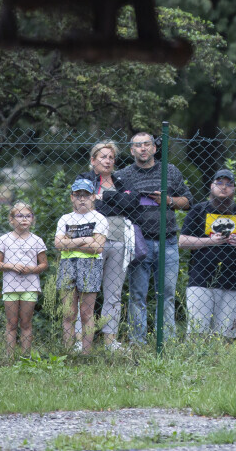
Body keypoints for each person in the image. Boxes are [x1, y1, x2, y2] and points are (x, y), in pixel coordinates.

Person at [113, 131, 192, 343]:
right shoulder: (123, 175)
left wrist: (168, 201)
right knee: (137, 295)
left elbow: (188, 201)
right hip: (139, 243)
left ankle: (165, 341)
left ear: (155, 148)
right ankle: (137, 342)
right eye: (138, 145)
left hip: (168, 241)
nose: (143, 148)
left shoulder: (170, 170)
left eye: (147, 144)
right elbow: (114, 205)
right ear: (131, 151)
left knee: (167, 294)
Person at [179, 169, 236, 339]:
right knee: (197, 332)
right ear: (211, 186)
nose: (224, 187)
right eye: (219, 183)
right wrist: (211, 241)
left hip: (233, 281)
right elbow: (182, 241)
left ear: (234, 189)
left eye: (229, 184)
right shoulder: (198, 210)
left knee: (226, 335)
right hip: (200, 280)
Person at [76, 140, 135, 350]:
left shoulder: (121, 180)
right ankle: (80, 341)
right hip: (91, 242)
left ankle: (110, 341)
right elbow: (83, 205)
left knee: (114, 293)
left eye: (111, 157)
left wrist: (104, 197)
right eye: (103, 157)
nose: (108, 161)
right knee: (86, 292)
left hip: (118, 240)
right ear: (93, 160)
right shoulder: (84, 179)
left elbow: (131, 204)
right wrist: (116, 200)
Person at [54, 177, 109, 352]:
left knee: (86, 313)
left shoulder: (99, 218)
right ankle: (68, 351)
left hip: (90, 265)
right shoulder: (65, 219)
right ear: (72, 197)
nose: (82, 199)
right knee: (68, 313)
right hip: (67, 264)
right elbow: (58, 244)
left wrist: (71, 242)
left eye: (86, 195)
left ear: (93, 197)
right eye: (78, 195)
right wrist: (86, 240)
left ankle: (86, 353)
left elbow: (98, 247)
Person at [0, 202, 48, 355]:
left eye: (28, 216)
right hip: (10, 287)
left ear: (32, 219)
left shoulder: (37, 240)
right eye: (20, 216)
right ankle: (9, 357)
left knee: (26, 323)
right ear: (11, 220)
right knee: (11, 324)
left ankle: (25, 357)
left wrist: (32, 269)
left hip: (30, 286)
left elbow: (44, 264)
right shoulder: (4, 239)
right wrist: (11, 266)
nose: (24, 219)